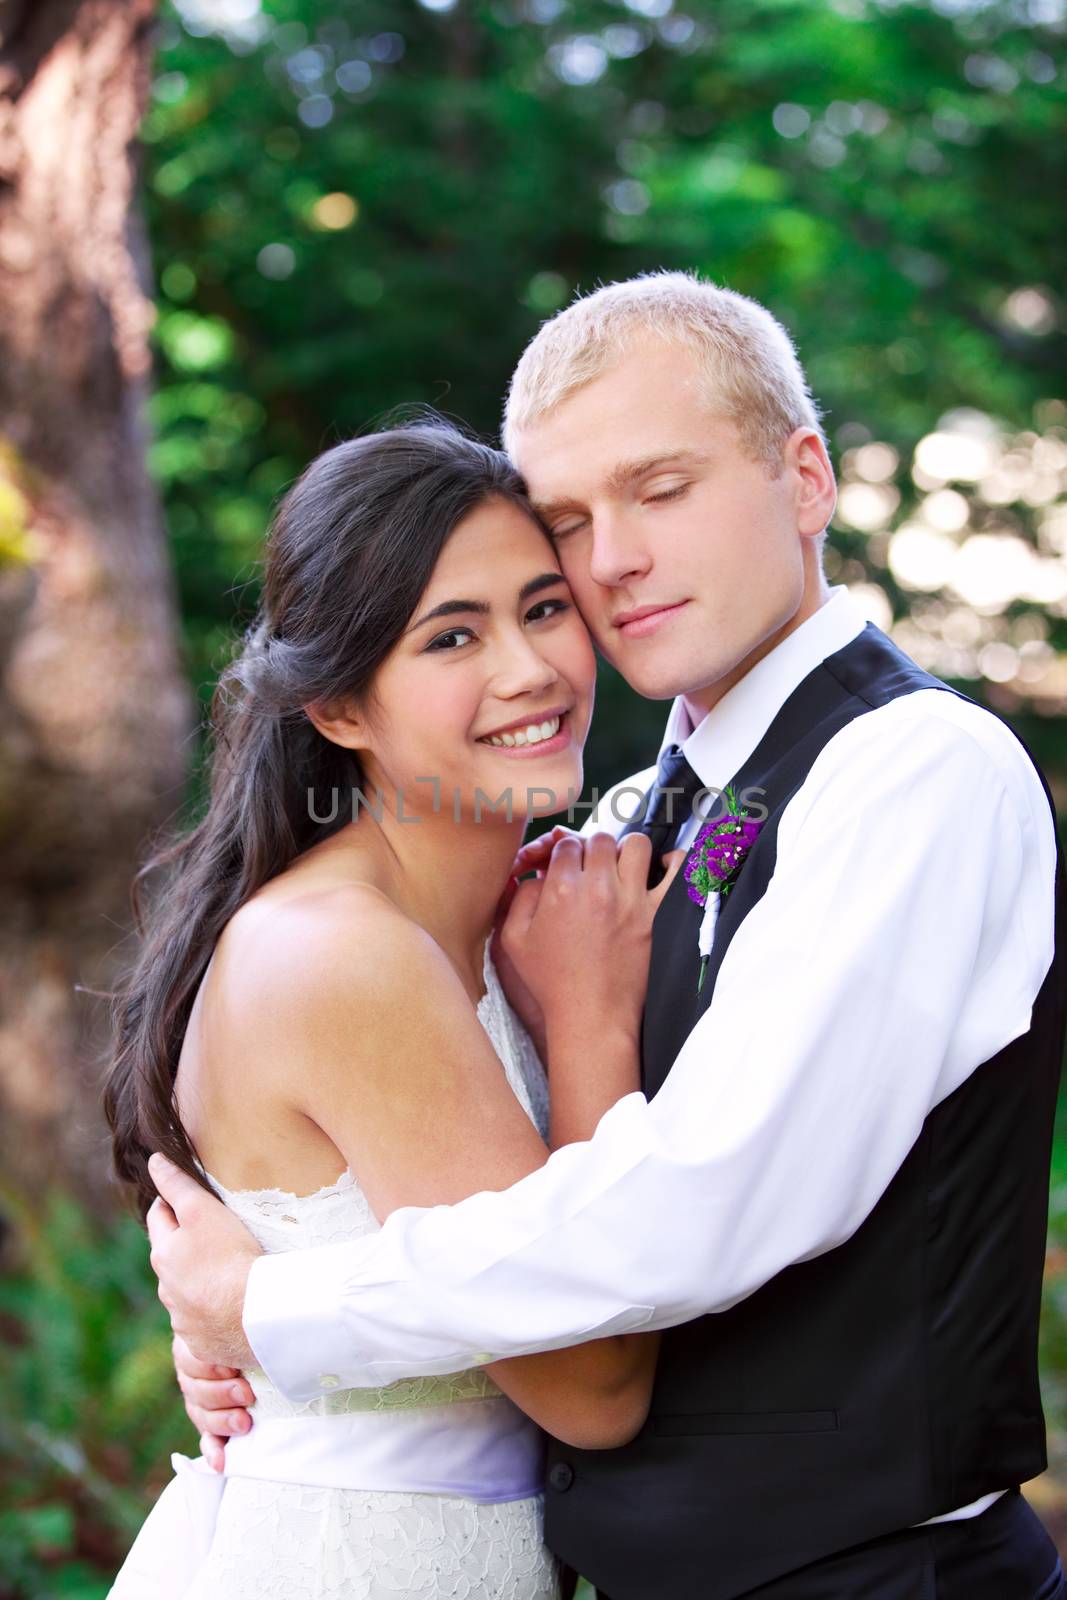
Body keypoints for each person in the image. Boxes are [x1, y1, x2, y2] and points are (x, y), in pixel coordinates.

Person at [152, 273, 1067, 1599]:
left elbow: (700, 1208)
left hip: (872, 1573)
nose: (612, 559)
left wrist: (274, 1312)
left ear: (804, 478)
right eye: (569, 520)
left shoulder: (913, 772)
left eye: (661, 487)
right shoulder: (627, 822)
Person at [103, 421, 681, 1600]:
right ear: (340, 710)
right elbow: (593, 1387)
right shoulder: (345, 956)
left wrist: (249, 1314)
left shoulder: (497, 915)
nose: (527, 669)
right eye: (451, 635)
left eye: (542, 607)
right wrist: (586, 1026)